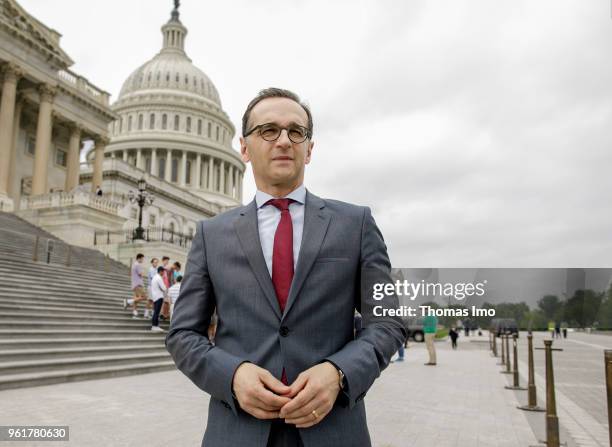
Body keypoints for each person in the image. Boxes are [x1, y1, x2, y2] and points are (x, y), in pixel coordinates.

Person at [166, 88, 406, 447]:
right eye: (268, 130)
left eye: (296, 132)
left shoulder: (356, 224)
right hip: (237, 430)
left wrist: (339, 373)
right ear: (244, 148)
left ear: (309, 149)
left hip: (334, 429)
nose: (283, 140)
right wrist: (232, 376)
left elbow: (386, 323)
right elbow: (183, 335)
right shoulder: (211, 235)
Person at [124, 253, 147, 319]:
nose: (143, 260)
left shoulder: (134, 264)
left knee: (136, 299)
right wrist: (142, 272)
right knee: (144, 297)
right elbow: (140, 274)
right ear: (139, 258)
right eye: (142, 259)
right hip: (138, 284)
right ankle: (128, 301)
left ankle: (135, 313)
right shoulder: (138, 265)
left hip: (134, 284)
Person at [150, 266, 167, 332]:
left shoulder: (154, 277)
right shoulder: (159, 278)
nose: (164, 273)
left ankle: (155, 325)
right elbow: (164, 288)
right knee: (157, 312)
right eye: (163, 271)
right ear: (160, 271)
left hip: (155, 296)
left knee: (155, 311)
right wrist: (164, 288)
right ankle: (155, 326)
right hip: (159, 296)